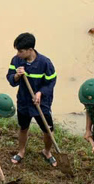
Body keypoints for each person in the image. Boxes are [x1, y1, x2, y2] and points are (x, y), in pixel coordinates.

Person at [6, 33, 57, 165]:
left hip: (42, 103)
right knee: (23, 127)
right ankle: (21, 151)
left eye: (21, 51)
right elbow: (11, 79)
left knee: (47, 129)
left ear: (30, 50)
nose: (18, 54)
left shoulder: (45, 63)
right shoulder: (16, 61)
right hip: (24, 100)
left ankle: (47, 151)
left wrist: (40, 93)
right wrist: (17, 75)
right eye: (17, 50)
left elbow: (51, 82)